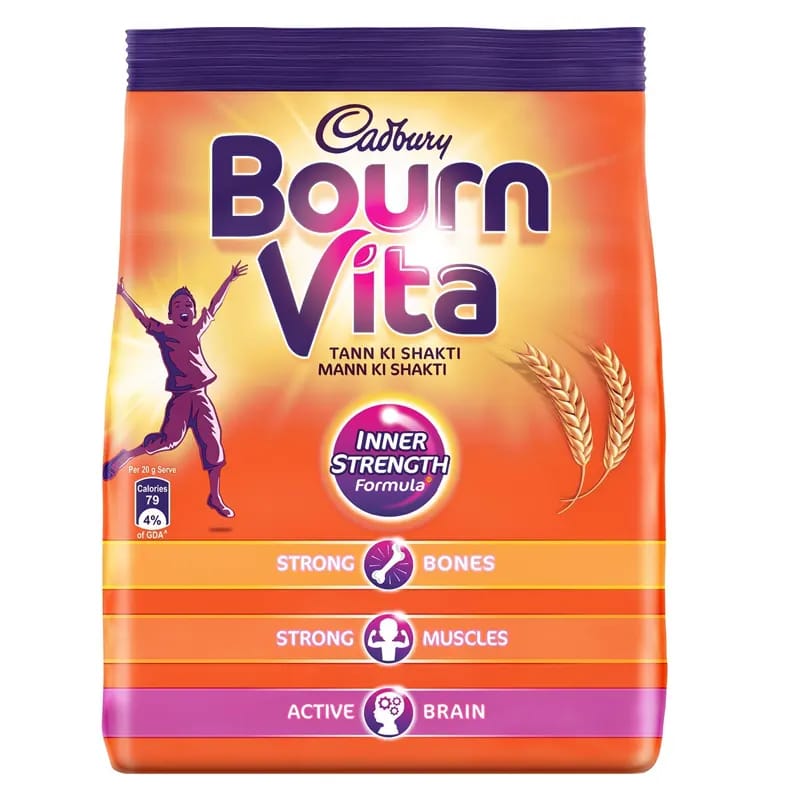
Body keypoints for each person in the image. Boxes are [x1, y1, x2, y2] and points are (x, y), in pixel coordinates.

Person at [103, 261, 248, 518]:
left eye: (188, 305)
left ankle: (215, 497)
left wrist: (229, 279)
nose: (184, 309)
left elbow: (214, 305)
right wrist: (123, 294)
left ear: (193, 312)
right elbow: (142, 317)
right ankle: (127, 456)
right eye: (178, 306)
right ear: (171, 314)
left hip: (201, 397)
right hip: (181, 399)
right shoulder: (164, 331)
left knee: (213, 443)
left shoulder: (196, 330)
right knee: (169, 441)